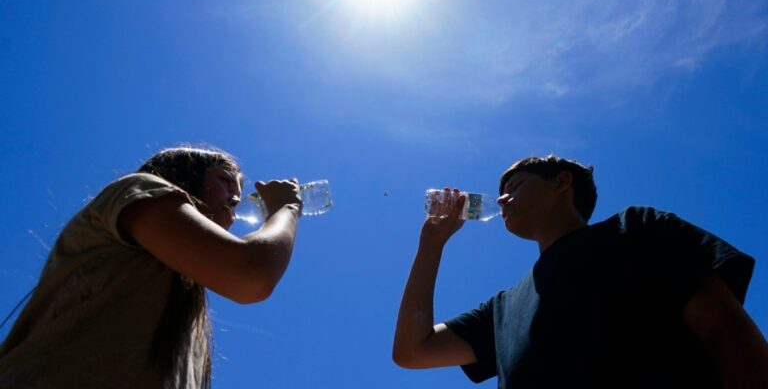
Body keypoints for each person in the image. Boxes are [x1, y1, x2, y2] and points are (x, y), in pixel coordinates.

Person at [393, 155, 768, 388]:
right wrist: (432, 243)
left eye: (516, 185)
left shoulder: (635, 228)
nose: (502, 199)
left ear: (561, 182)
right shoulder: (503, 309)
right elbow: (413, 351)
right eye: (501, 192)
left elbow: (724, 330)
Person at [0, 147, 303, 388]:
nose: (235, 199)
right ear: (185, 176)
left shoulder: (184, 295)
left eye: (237, 191)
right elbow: (251, 273)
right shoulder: (138, 190)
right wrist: (285, 209)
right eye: (224, 181)